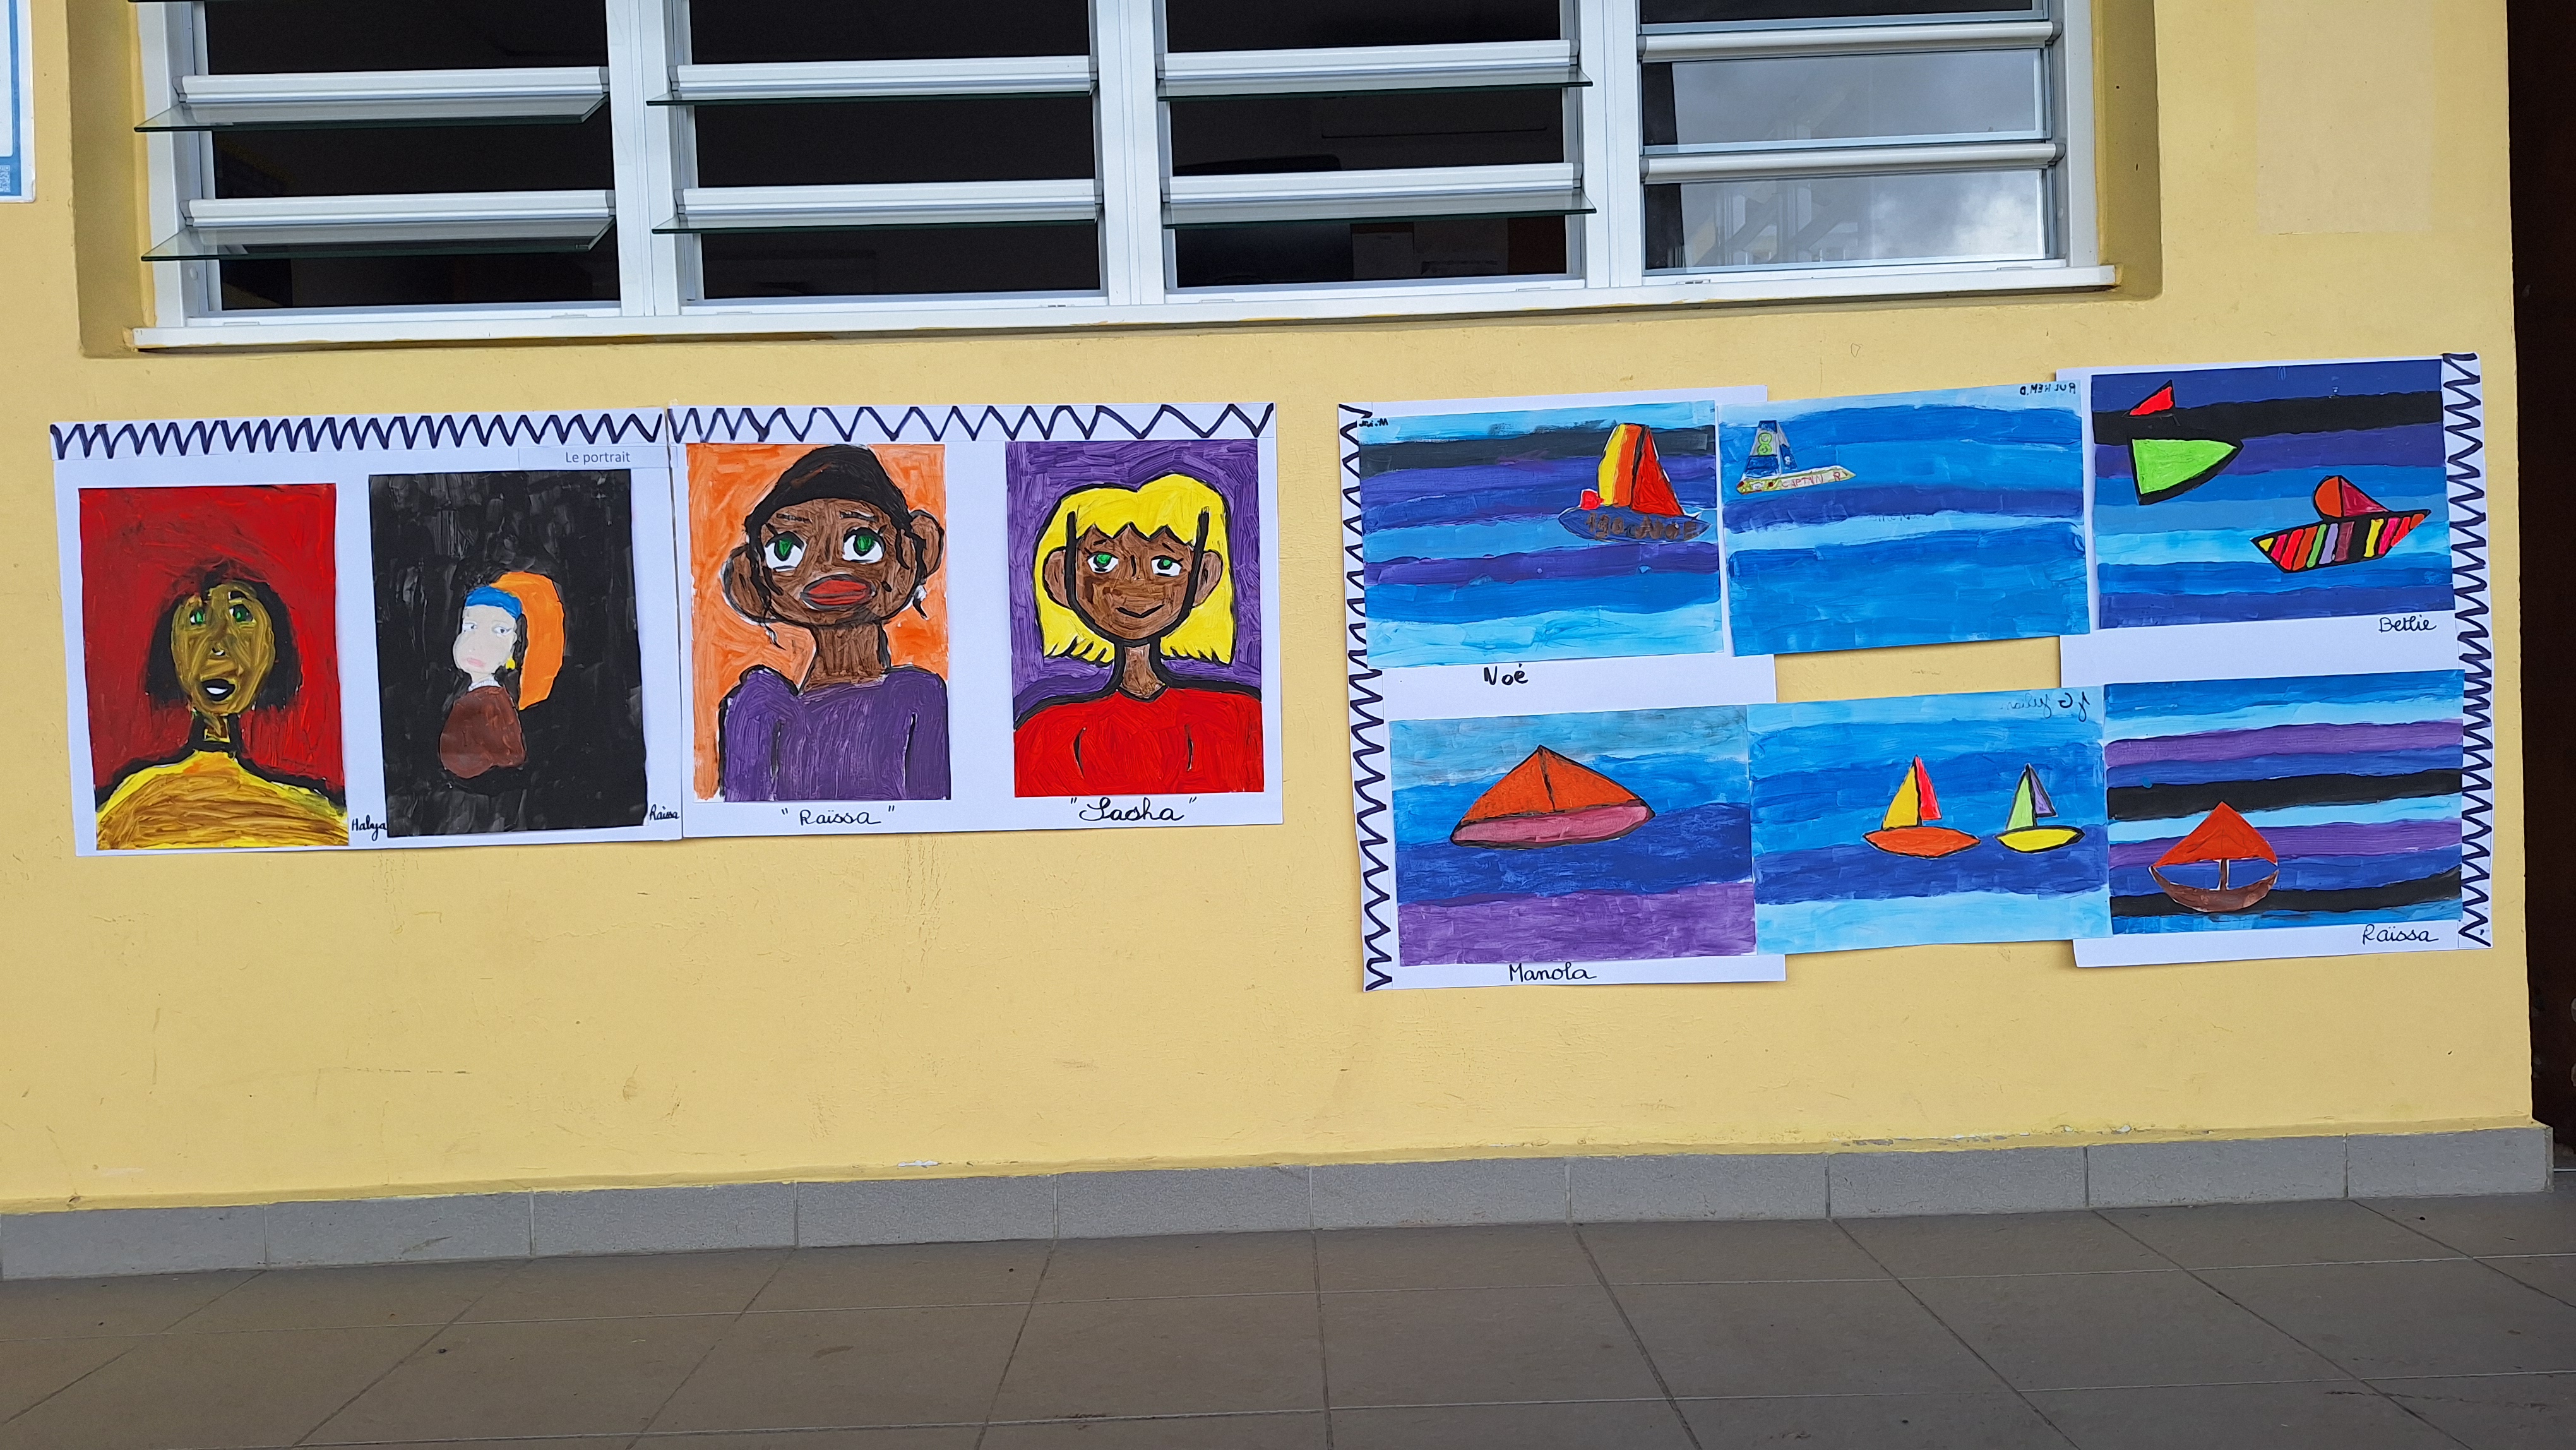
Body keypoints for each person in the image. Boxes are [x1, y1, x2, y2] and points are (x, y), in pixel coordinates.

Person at [719, 445, 950, 801]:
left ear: (916, 551)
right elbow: (743, 817)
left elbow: (936, 809)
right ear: (751, 577)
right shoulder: (759, 707)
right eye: (785, 550)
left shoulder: (917, 697)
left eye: (863, 543)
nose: (825, 567)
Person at [1015, 472, 1263, 796]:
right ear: (1060, 577)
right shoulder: (1045, 735)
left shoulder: (1241, 721)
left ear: (1204, 577)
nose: (1135, 585)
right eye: (1103, 562)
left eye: (1165, 565)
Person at [96, 567, 346, 849]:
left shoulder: (321, 821)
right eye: (198, 619)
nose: (218, 645)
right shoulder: (128, 812)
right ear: (172, 646)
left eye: (240, 615)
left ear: (273, 646)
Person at [439, 572, 563, 780]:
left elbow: (510, 758)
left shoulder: (493, 704)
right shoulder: (475, 696)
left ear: (515, 646)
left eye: (500, 631)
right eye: (470, 626)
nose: (477, 643)